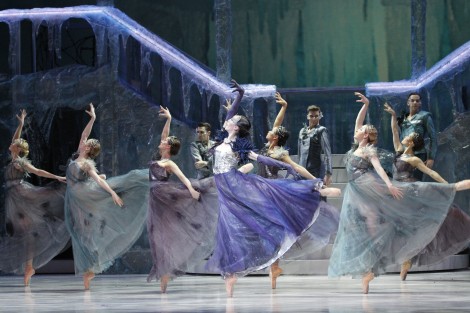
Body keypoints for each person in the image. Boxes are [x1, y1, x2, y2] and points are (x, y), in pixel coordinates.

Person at [205, 81, 337, 297]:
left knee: (244, 220)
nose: (229, 121)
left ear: (236, 128)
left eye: (233, 121)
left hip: (234, 184)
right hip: (224, 187)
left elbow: (261, 158)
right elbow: (230, 113)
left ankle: (313, 190)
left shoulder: (240, 147)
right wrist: (240, 94)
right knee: (228, 227)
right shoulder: (222, 137)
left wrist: (285, 165)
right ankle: (231, 274)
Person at [328, 92, 454, 294]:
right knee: (360, 222)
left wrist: (388, 184)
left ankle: (388, 248)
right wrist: (366, 104)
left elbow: (377, 168)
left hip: (367, 184)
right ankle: (370, 268)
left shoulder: (370, 150)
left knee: (373, 220)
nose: (358, 130)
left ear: (366, 135)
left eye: (362, 130)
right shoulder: (356, 145)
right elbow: (358, 122)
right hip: (356, 188)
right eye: (359, 130)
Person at [257, 92, 340, 289]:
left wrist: (318, 179)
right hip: (264, 189)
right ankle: (274, 267)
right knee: (271, 229)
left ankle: (276, 264)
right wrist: (284, 107)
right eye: (310, 115)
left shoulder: (280, 152)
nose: (269, 131)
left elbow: (298, 167)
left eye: (272, 132)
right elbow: (277, 125)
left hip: (276, 190)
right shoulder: (268, 146)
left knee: (277, 228)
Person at [64, 103, 149, 290]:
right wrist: (93, 118)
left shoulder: (86, 163)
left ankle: (91, 265)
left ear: (89, 149)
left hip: (86, 194)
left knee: (87, 229)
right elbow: (83, 135)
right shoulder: (79, 155)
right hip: (77, 196)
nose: (85, 142)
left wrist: (111, 193)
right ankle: (90, 268)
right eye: (86, 142)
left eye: (88, 144)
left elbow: (98, 181)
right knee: (79, 231)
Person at [385, 103, 470, 280]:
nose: (404, 136)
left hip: (410, 190)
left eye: (407, 136)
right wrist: (393, 116)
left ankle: (408, 258)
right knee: (403, 225)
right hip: (396, 190)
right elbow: (394, 132)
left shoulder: (414, 159)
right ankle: (407, 259)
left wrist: (446, 185)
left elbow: (431, 172)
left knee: (412, 224)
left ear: (412, 141)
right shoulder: (399, 151)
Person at [146, 106, 218, 293]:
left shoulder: (169, 162)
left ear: (168, 147)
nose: (161, 142)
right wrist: (169, 119)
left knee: (166, 234)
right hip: (155, 199)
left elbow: (184, 178)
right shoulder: (157, 158)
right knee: (155, 235)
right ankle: (163, 271)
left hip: (164, 194)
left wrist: (192, 192)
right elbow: (164, 136)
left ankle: (167, 271)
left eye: (165, 142)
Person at [0, 109, 68, 286]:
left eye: (14, 145)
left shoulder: (20, 163)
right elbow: (16, 139)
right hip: (13, 199)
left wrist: (57, 177)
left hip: (22, 197)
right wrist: (21, 124)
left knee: (27, 231)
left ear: (18, 149)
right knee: (21, 232)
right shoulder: (13, 158)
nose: (11, 144)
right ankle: (29, 267)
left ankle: (29, 266)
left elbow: (38, 171)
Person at [398, 93, 437, 179]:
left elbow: (433, 137)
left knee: (416, 181)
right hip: (404, 154)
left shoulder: (425, 116)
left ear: (420, 103)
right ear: (408, 103)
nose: (415, 102)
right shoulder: (403, 118)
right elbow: (400, 136)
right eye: (412, 100)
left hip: (418, 154)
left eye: (417, 100)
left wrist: (431, 157)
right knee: (403, 180)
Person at [298, 103, 333, 186]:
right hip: (302, 170)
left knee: (318, 195)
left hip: (316, 170)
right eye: (311, 116)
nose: (314, 118)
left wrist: (328, 173)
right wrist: (298, 168)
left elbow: (327, 153)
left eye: (316, 116)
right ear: (307, 116)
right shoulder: (302, 131)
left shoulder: (322, 130)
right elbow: (299, 153)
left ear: (320, 116)